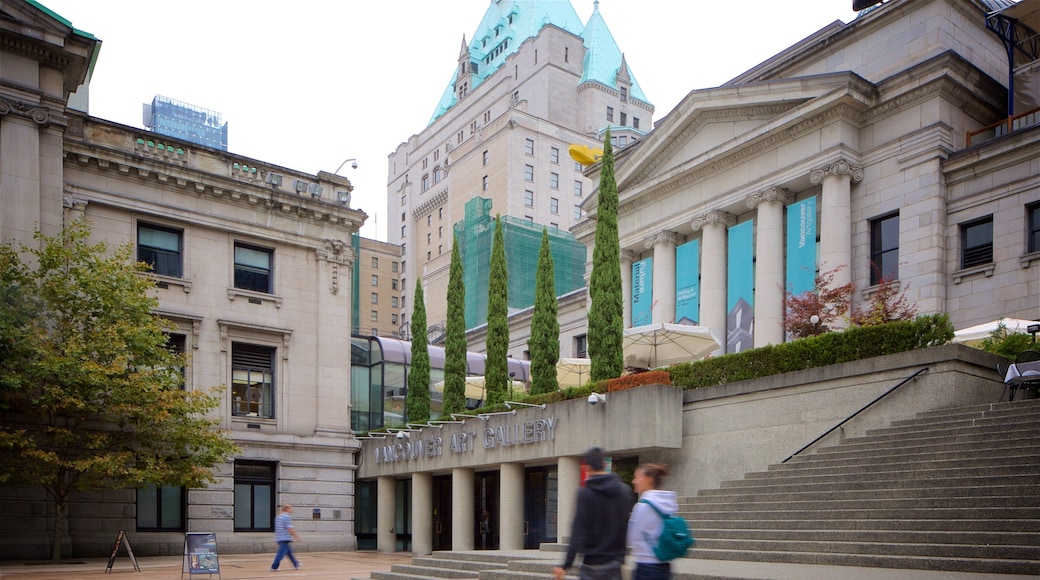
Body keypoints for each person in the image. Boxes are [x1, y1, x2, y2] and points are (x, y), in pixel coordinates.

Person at [553, 447, 633, 580]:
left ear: (587, 468)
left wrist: (566, 565)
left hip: (591, 564)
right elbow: (624, 529)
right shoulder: (624, 492)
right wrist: (621, 558)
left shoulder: (585, 493)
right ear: (604, 464)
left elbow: (578, 532)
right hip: (614, 565)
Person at [627, 463, 679, 580]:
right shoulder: (668, 503)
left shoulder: (643, 506)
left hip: (646, 565)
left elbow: (631, 538)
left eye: (637, 477)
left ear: (649, 479)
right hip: (664, 563)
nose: (634, 481)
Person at [270, 503, 302, 571]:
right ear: (286, 509)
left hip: (279, 537)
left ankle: (296, 564)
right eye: (290, 509)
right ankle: (274, 566)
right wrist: (296, 536)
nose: (291, 510)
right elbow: (289, 528)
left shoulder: (278, 517)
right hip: (285, 537)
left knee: (289, 552)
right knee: (281, 553)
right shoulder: (286, 516)